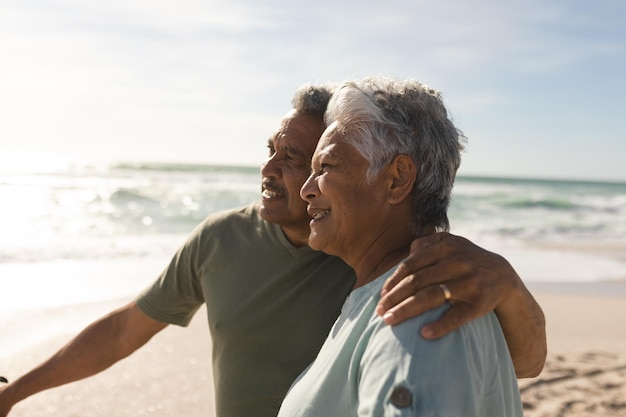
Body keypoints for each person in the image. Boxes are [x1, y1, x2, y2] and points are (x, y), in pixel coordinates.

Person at [0, 83, 544, 417]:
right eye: (271, 151)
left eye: (306, 160)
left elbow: (509, 357)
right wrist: (13, 393)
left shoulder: (395, 270)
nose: (273, 170)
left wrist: (510, 286)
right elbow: (124, 330)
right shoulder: (222, 240)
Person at [278, 77, 524, 417]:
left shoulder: (418, 307)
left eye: (326, 167)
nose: (307, 189)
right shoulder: (389, 292)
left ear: (397, 179)